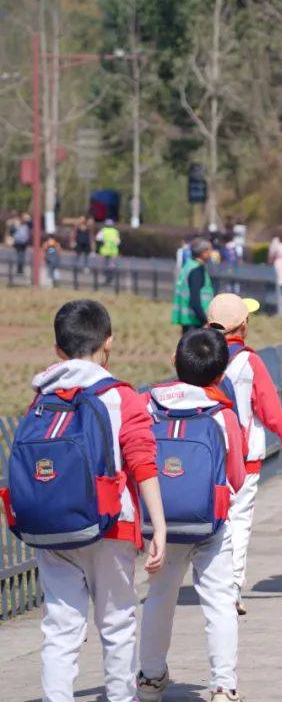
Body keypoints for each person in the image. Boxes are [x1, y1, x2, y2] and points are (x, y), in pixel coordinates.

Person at [9, 300, 165, 702]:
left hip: (53, 527)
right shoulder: (121, 397)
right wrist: (159, 527)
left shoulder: (41, 398)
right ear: (108, 342)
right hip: (111, 525)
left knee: (60, 627)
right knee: (116, 623)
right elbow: (142, 462)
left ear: (58, 349)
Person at [136, 329, 247, 702]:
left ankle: (150, 678)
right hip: (210, 525)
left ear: (175, 361)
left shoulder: (148, 405)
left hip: (161, 523)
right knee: (219, 601)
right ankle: (223, 686)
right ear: (221, 373)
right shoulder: (222, 414)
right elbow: (236, 476)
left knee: (159, 597)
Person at [206, 293, 282, 615]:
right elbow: (272, 414)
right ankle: (231, 589)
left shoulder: (195, 355)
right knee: (238, 525)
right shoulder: (249, 362)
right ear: (243, 325)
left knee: (213, 526)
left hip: (207, 456)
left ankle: (211, 585)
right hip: (244, 460)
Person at [172, 238, 215, 332]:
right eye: (210, 250)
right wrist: (205, 321)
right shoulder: (197, 270)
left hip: (188, 321)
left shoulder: (188, 266)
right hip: (196, 322)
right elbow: (195, 301)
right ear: (203, 253)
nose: (211, 253)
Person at [96, 219, 121, 284]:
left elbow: (98, 238)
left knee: (104, 265)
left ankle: (106, 277)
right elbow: (118, 242)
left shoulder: (103, 230)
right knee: (111, 265)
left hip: (105, 250)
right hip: (113, 251)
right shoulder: (115, 231)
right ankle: (110, 276)